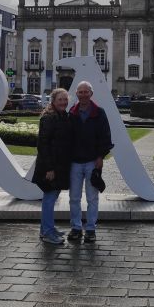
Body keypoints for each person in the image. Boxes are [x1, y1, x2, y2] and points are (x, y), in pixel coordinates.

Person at [67, 81, 113, 243]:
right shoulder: (71, 113)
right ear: (77, 94)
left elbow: (105, 137)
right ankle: (76, 227)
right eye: (80, 92)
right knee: (74, 197)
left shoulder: (99, 113)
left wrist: (100, 156)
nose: (83, 94)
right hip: (74, 162)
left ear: (91, 94)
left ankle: (91, 229)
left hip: (93, 161)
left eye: (86, 92)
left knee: (92, 198)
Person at [33, 88, 73, 245]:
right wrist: (49, 169)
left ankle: (46, 229)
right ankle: (48, 232)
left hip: (59, 165)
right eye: (60, 100)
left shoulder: (62, 116)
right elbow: (43, 144)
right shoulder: (49, 118)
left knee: (52, 197)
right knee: (50, 198)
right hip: (49, 166)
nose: (63, 102)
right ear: (53, 102)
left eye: (65, 99)